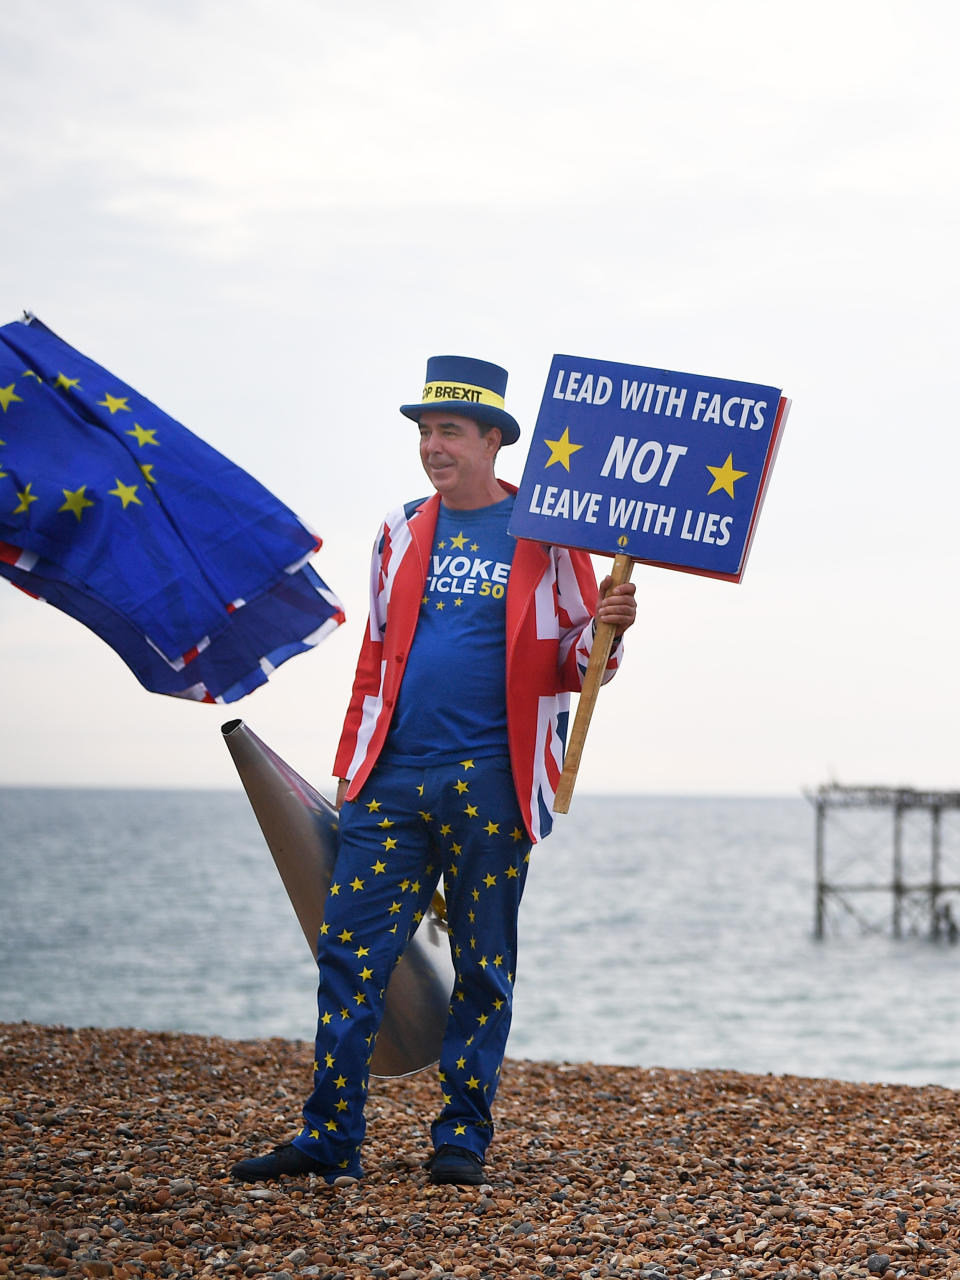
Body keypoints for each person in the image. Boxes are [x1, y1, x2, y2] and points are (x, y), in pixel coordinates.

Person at [231, 355, 637, 1187]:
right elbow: (376, 657)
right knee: (348, 951)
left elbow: (572, 662)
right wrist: (350, 768)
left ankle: (461, 1136)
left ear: (493, 438)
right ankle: (330, 1135)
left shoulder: (548, 533)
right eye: (424, 432)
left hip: (493, 777)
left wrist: (609, 630)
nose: (432, 447)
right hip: (390, 778)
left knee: (484, 962)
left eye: (449, 431)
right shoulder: (400, 528)